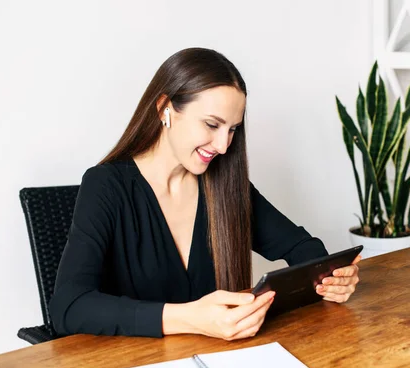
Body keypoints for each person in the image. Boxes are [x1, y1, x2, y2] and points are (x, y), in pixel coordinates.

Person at [49, 48, 361, 341]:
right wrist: (190, 319)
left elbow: (302, 247)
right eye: (212, 124)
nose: (224, 146)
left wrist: (332, 278)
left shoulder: (224, 185)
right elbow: (69, 306)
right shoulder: (106, 186)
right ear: (164, 109)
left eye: (232, 129)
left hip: (220, 364)